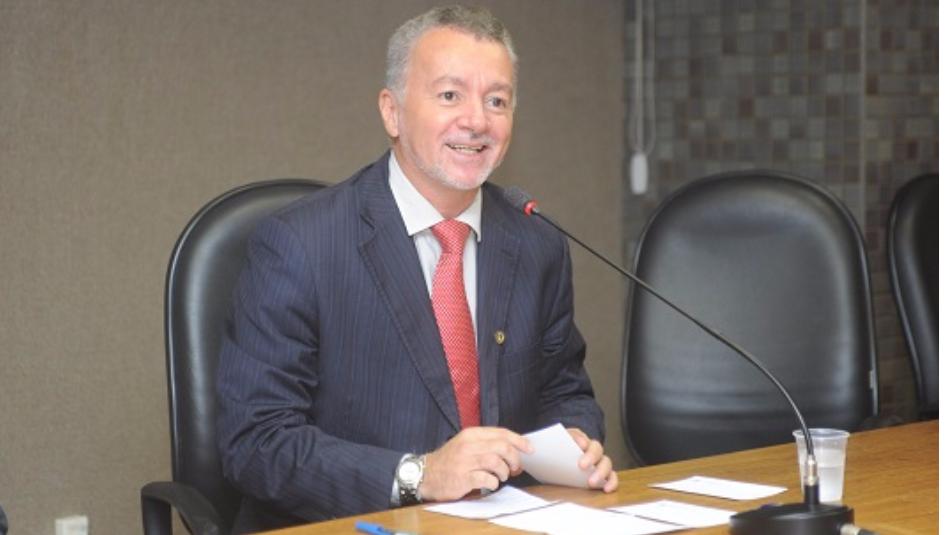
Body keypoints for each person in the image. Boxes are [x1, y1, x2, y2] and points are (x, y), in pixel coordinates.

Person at [217, 5, 616, 533]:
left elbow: (565, 392)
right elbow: (256, 442)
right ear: (393, 112)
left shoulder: (536, 242)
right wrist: (418, 475)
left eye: (496, 100)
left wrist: (577, 442)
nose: (477, 120)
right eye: (450, 95)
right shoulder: (299, 245)